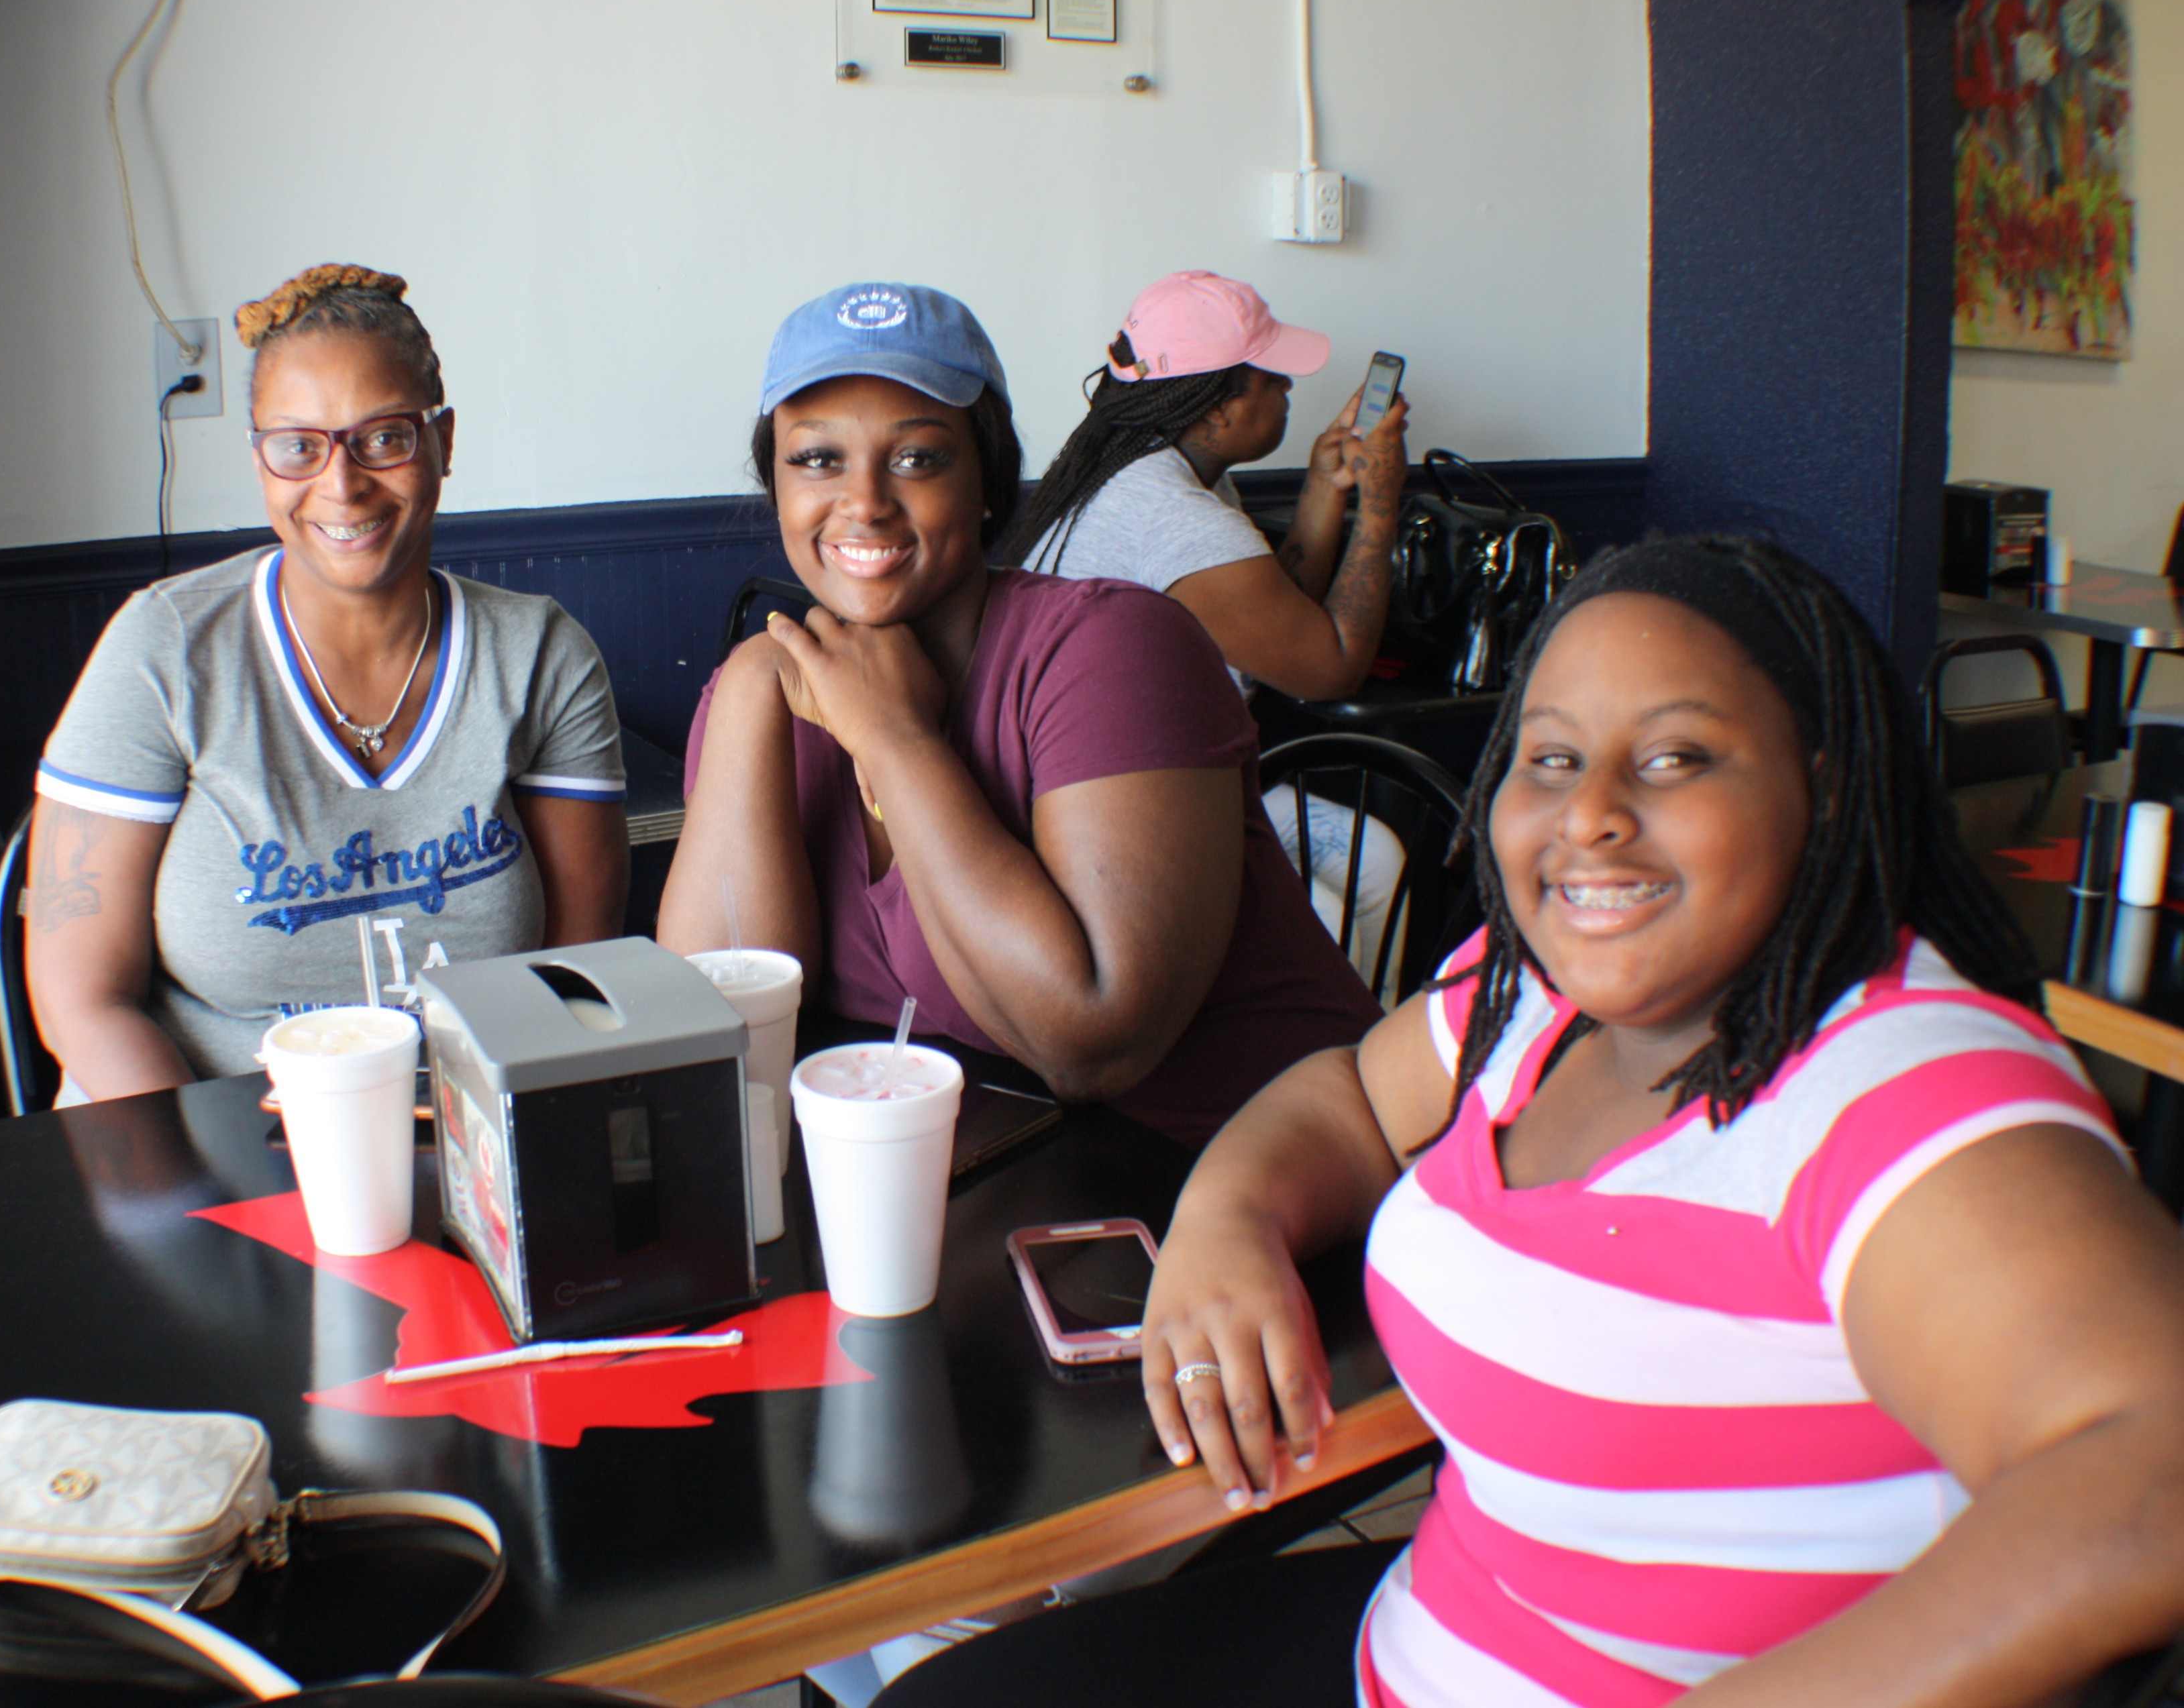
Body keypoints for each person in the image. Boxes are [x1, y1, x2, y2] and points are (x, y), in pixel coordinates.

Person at [876, 536, 2184, 1707]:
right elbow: (1339, 1099)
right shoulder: (1536, 1003)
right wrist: (1226, 1220)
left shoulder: (1898, 1086)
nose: (1590, 812)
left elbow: (2147, 1481)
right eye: (1549, 758)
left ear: (1826, 787)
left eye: (1674, 757)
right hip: (1415, 1644)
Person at [658, 282, 1378, 1149]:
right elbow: (723, 1039)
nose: (865, 501)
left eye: (918, 457)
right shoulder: (776, 694)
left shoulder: (1112, 644)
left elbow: (1092, 1042)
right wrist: (748, 685)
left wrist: (895, 740)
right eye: (816, 459)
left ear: (989, 479)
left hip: (1270, 1185)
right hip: (995, 1190)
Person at [25, 265, 628, 1100]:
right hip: (194, 1137)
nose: (340, 484)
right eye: (299, 446)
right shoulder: (163, 648)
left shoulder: (540, 655)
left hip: (465, 1135)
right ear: (260, 460)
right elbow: (81, 998)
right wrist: (214, 1187)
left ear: (443, 441)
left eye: (384, 437)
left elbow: (574, 969)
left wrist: (490, 1159)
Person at [998, 270, 1412, 972]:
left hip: (1155, 784)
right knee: (1330, 918)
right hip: (1127, 821)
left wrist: (1322, 487)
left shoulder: (1158, 472)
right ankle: (1312, 1063)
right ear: (1217, 407)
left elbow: (1266, 619)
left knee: (1376, 863)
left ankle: (1361, 1062)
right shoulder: (1172, 516)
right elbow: (1330, 664)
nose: (1288, 392)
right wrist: (1380, 504)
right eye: (1272, 378)